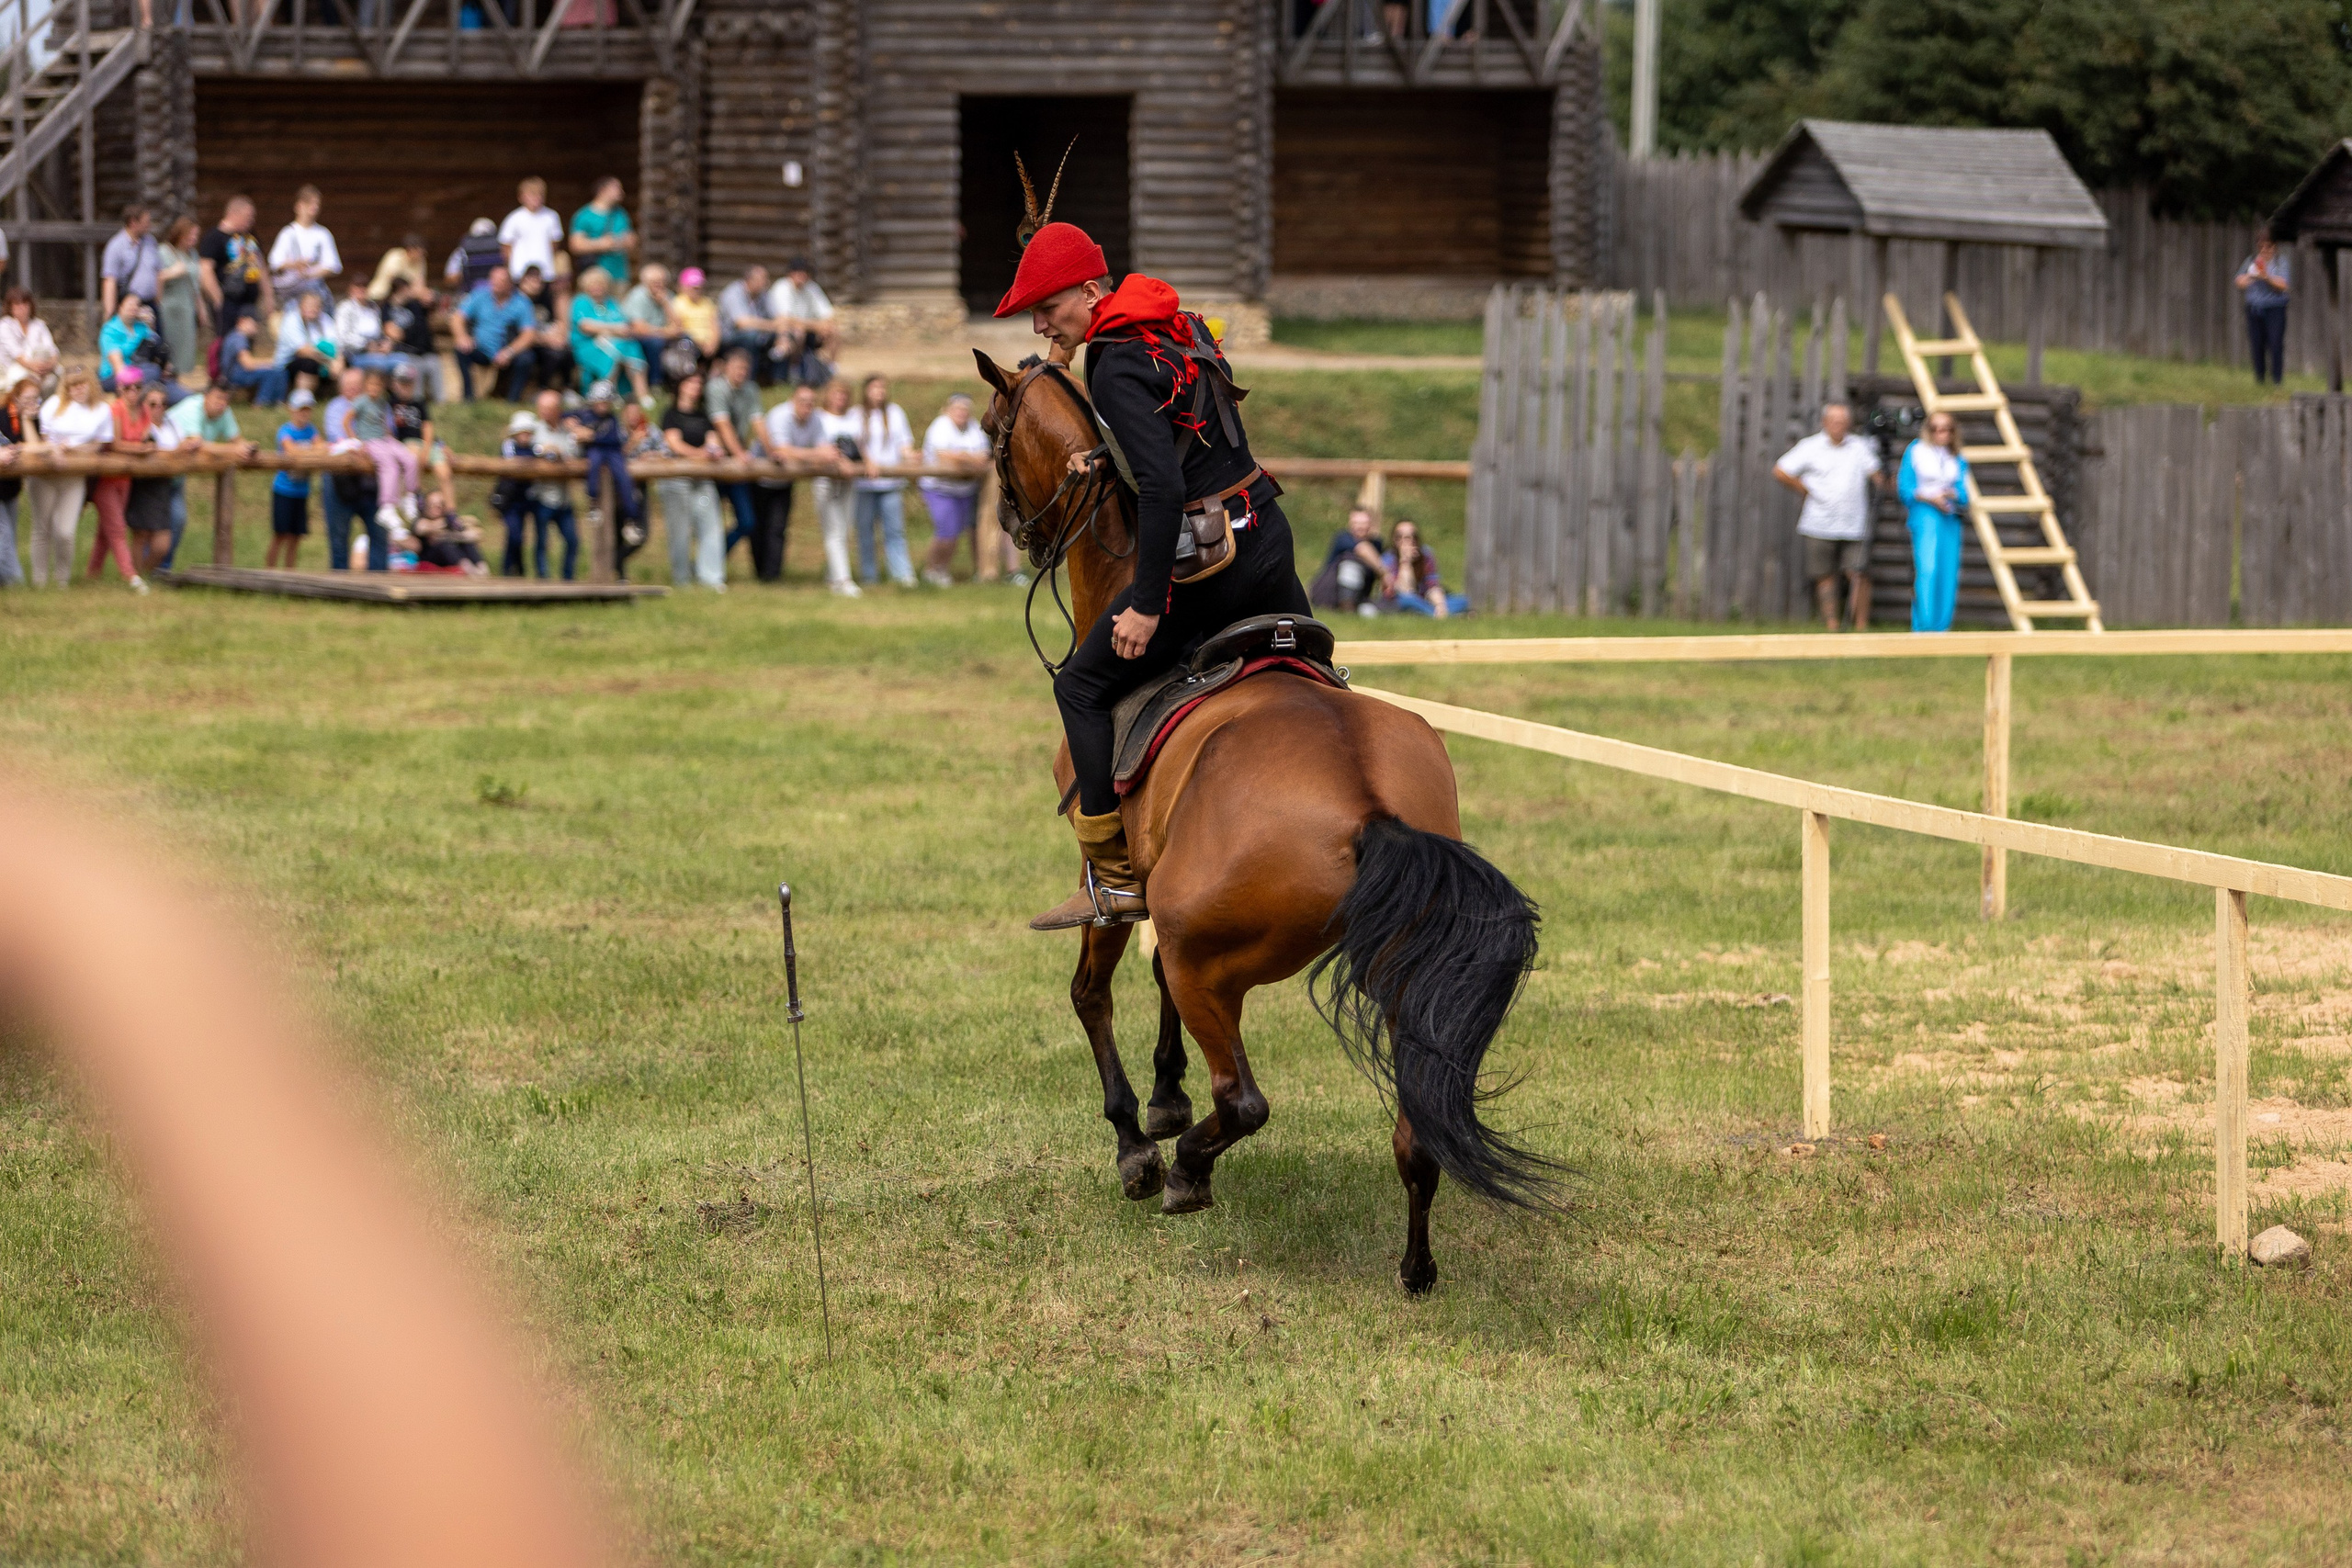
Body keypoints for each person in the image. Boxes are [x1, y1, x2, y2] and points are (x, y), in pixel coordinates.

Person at [998, 220, 1312, 929]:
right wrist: (1109, 458)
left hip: (1213, 568)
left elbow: (1166, 490)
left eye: (1049, 306)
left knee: (1080, 684)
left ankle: (1110, 877)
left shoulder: (1111, 359)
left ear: (1089, 290)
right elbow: (1186, 429)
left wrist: (1144, 605)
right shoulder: (1173, 323)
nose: (1042, 323)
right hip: (1268, 540)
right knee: (1313, 670)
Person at [1772, 400, 1881, 633]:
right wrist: (1804, 489)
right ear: (1824, 422)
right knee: (1824, 574)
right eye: (1834, 421)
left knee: (1858, 572)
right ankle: (1832, 625)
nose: (1839, 426)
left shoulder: (1860, 446)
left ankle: (1861, 626)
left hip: (1854, 523)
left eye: (1843, 422)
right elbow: (1781, 470)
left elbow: (1877, 474)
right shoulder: (1810, 446)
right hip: (1819, 522)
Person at [25, 368, 118, 591]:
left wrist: (76, 450)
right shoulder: (53, 405)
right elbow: (45, 439)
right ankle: (39, 581)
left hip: (75, 475)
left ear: (90, 385)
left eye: (82, 384)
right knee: (42, 527)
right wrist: (55, 449)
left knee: (65, 531)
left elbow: (100, 444)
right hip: (46, 475)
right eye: (73, 386)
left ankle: (62, 581)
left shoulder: (102, 409)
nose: (78, 390)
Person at [159, 384, 254, 571]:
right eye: (218, 398)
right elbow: (198, 445)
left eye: (225, 399)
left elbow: (237, 440)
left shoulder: (223, 411)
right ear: (205, 397)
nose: (222, 404)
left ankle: (162, 568)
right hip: (158, 473)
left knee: (177, 520)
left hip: (176, 477)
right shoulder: (191, 408)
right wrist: (234, 450)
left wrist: (249, 449)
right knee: (156, 525)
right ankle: (149, 568)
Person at [1898, 411, 1973, 634]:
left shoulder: (1956, 457)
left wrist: (1952, 494)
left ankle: (1942, 626)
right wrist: (1930, 497)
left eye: (1947, 429)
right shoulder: (1916, 451)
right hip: (1925, 514)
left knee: (1948, 571)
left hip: (1950, 517)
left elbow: (1964, 492)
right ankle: (1923, 625)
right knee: (1927, 568)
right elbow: (1905, 488)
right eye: (1936, 428)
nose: (1942, 433)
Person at [657, 370, 727, 591]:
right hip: (676, 480)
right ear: (680, 386)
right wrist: (700, 454)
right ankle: (682, 578)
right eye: (691, 383)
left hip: (702, 479)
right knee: (679, 530)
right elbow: (674, 444)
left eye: (699, 383)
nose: (696, 387)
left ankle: (712, 578)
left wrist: (714, 451)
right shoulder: (671, 414)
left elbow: (712, 441)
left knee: (711, 527)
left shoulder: (703, 415)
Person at [762, 382, 835, 583]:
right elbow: (781, 450)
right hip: (759, 479)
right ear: (792, 400)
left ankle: (771, 576)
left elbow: (825, 450)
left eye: (811, 402)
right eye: (803, 401)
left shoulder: (816, 418)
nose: (807, 406)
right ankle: (761, 573)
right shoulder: (779, 415)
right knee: (756, 527)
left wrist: (815, 454)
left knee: (778, 528)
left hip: (784, 480)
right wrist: (815, 455)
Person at [847, 375, 915, 588]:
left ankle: (903, 575)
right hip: (863, 485)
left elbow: (904, 443)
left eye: (882, 388)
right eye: (875, 387)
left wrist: (912, 457)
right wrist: (868, 462)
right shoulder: (855, 414)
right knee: (865, 531)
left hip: (891, 483)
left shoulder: (895, 413)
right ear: (866, 390)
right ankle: (869, 576)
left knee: (894, 531)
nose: (880, 392)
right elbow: (854, 443)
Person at [918, 391, 989, 585]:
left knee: (955, 532)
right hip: (939, 487)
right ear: (948, 409)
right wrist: (969, 457)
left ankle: (941, 568)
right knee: (946, 530)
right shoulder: (940, 426)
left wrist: (963, 457)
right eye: (958, 408)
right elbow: (943, 454)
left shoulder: (973, 427)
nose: (962, 413)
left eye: (965, 409)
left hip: (964, 488)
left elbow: (984, 454)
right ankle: (932, 568)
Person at [115, 383, 180, 581]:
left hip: (163, 483)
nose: (158, 408)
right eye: (152, 404)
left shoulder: (172, 424)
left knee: (162, 543)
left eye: (163, 404)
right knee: (141, 534)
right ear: (144, 405)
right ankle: (137, 576)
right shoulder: (141, 425)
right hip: (142, 483)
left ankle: (143, 574)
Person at [708, 346, 765, 560]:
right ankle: (708, 566)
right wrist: (739, 453)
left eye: (745, 369)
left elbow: (758, 421)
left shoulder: (750, 389)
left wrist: (774, 451)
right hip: (716, 461)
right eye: (738, 368)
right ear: (726, 368)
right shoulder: (716, 387)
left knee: (747, 521)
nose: (741, 373)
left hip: (736, 460)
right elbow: (722, 425)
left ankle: (715, 559)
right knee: (711, 520)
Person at [350, 367, 420, 536]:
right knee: (390, 465)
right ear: (366, 386)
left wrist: (390, 436)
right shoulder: (361, 401)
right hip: (370, 441)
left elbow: (382, 422)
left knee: (409, 458)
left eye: (378, 385)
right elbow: (347, 420)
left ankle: (409, 496)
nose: (374, 388)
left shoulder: (382, 403)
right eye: (371, 384)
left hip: (384, 439)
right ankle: (386, 506)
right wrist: (355, 441)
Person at [452, 267, 540, 401]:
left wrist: (510, 351)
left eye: (501, 281)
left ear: (510, 284)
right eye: (493, 280)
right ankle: (468, 397)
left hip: (508, 351)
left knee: (526, 359)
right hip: (481, 349)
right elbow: (457, 318)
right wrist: (462, 337)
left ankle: (512, 400)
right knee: (461, 350)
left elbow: (529, 334)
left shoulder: (522, 303)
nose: (496, 284)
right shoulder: (480, 295)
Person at [567, 379, 633, 551]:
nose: (603, 406)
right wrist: (572, 424)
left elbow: (615, 440)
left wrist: (592, 436)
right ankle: (593, 502)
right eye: (600, 402)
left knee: (623, 478)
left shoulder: (612, 419)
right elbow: (564, 415)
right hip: (595, 453)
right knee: (594, 464)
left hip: (612, 453)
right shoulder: (584, 414)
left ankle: (631, 518)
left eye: (606, 402)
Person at [566, 265, 650, 401]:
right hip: (587, 344)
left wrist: (619, 330)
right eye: (593, 284)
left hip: (614, 341)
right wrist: (613, 329)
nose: (597, 287)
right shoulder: (581, 301)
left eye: (601, 284)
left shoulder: (611, 302)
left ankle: (643, 394)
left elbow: (623, 323)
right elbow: (585, 326)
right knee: (616, 350)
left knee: (632, 347)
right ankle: (609, 393)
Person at [525, 388, 580, 580]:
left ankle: (568, 578)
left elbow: (575, 453)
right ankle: (543, 579)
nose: (544, 412)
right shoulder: (534, 429)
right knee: (541, 542)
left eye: (548, 408)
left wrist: (561, 452)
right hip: (542, 496)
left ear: (558, 409)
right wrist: (545, 451)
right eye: (541, 408)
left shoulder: (567, 430)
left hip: (564, 498)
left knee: (573, 541)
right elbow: (530, 448)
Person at [812, 377, 860, 596]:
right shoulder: (819, 418)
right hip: (827, 481)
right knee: (833, 531)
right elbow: (821, 447)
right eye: (836, 394)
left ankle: (833, 575)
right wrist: (840, 463)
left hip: (849, 481)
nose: (840, 399)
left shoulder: (853, 418)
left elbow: (860, 445)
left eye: (843, 395)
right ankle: (843, 580)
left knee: (845, 529)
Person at [197, 195, 269, 334]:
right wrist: (218, 300)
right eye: (248, 216)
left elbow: (261, 265)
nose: (251, 220)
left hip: (249, 303)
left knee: (247, 344)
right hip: (229, 301)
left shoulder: (250, 237)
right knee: (229, 343)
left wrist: (268, 295)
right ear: (234, 214)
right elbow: (205, 270)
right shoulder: (214, 237)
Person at [267, 388, 320, 570]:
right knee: (280, 534)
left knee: (295, 537)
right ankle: (270, 571)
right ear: (292, 410)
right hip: (284, 490)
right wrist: (310, 451)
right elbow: (291, 450)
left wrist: (309, 450)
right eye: (300, 409)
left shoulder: (311, 431)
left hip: (301, 491)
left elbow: (323, 447)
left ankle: (290, 572)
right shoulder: (285, 430)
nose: (304, 414)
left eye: (307, 409)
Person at [767, 257, 837, 384]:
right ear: (790, 274)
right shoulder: (782, 288)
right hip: (785, 331)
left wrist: (824, 326)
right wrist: (817, 326)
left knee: (833, 331)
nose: (802, 276)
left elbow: (828, 314)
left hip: (809, 329)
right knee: (799, 332)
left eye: (804, 272)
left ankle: (830, 369)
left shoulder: (812, 288)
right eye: (798, 272)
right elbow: (786, 319)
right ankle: (794, 370)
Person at [2236, 229, 2291, 387]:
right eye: (2261, 247)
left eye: (2268, 247)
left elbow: (2283, 285)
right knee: (2257, 344)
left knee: (2275, 344)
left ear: (2274, 247)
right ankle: (2260, 380)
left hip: (2275, 309)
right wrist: (2252, 276)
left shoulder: (2281, 263)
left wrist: (2266, 277)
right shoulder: (2251, 261)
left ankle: (2277, 381)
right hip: (2255, 309)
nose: (2264, 250)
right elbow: (2239, 281)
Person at [267, 186, 341, 303]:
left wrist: (309, 274)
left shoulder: (323, 234)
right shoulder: (288, 233)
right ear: (299, 206)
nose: (314, 208)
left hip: (315, 293)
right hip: (292, 295)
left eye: (317, 204)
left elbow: (333, 265)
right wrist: (295, 265)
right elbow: (274, 262)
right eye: (310, 204)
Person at [1380, 520, 1467, 617]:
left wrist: (1440, 605)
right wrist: (1405, 562)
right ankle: (1440, 615)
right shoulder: (1388, 558)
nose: (1409, 541)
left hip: (1424, 599)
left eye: (1413, 536)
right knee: (1408, 600)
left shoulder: (1426, 554)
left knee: (1462, 600)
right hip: (1399, 600)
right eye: (1401, 537)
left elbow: (1432, 585)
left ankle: (1435, 613)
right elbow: (1405, 591)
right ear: (1395, 539)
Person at [153, 216, 204, 383]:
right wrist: (172, 272)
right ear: (181, 234)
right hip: (170, 308)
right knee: (170, 348)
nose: (194, 239)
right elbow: (156, 278)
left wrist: (201, 309)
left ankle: (179, 380)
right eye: (191, 235)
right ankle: (167, 381)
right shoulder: (164, 251)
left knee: (185, 350)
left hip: (187, 308)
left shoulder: (193, 254)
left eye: (196, 235)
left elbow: (196, 286)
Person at [1310, 505, 1386, 613]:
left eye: (1364, 523)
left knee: (1372, 612)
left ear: (1371, 524)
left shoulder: (1377, 543)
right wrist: (1385, 574)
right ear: (1350, 524)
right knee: (1350, 565)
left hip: (1361, 596)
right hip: (1329, 594)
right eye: (1356, 523)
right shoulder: (1343, 539)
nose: (1360, 527)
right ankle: (1347, 610)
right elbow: (1363, 549)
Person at [568, 177, 636, 286]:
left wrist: (625, 241)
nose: (621, 192)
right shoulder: (584, 216)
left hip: (619, 275)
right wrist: (602, 244)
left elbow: (632, 240)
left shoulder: (621, 214)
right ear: (603, 190)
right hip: (594, 277)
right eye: (617, 188)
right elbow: (575, 245)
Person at [499, 178, 567, 286]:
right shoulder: (513, 218)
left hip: (545, 272)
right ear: (521, 197)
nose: (536, 198)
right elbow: (506, 247)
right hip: (519, 272)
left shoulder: (551, 217)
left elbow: (554, 244)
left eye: (540, 195)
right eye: (532, 195)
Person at [274, 290, 342, 394]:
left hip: (321, 360)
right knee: (309, 364)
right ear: (301, 306)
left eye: (317, 306)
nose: (313, 309)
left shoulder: (324, 319)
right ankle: (303, 397)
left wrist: (339, 360)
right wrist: (329, 362)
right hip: (287, 364)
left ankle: (337, 397)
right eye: (310, 305)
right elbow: (303, 351)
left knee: (348, 360)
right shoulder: (292, 320)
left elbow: (336, 343)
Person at [99, 204, 160, 320]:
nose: (149, 225)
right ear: (133, 222)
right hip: (130, 305)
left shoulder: (151, 242)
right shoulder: (116, 246)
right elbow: (110, 280)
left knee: (155, 338)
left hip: (151, 304)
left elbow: (158, 271)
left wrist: (158, 301)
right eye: (146, 222)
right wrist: (109, 312)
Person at [716, 265, 779, 372]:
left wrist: (781, 329)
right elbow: (741, 323)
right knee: (750, 336)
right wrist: (772, 326)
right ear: (749, 280)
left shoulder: (763, 294)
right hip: (729, 338)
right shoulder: (733, 293)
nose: (766, 282)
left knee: (783, 334)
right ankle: (750, 377)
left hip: (757, 333)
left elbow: (777, 317)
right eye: (763, 279)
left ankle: (779, 379)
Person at [619, 263, 676, 379]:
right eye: (655, 282)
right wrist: (666, 332)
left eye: (662, 281)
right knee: (655, 344)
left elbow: (678, 325)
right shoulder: (637, 296)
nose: (659, 285)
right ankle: (656, 382)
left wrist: (666, 304)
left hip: (660, 335)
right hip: (639, 337)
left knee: (686, 340)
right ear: (645, 283)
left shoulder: (668, 296)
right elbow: (639, 328)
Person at [217, 312, 288, 405]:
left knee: (280, 372)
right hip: (234, 374)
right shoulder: (238, 338)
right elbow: (248, 364)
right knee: (271, 372)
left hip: (236, 372)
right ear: (241, 321)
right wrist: (268, 363)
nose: (256, 328)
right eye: (253, 324)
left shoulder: (236, 336)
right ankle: (262, 402)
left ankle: (278, 402)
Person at [413, 491, 487, 575]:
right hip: (430, 559)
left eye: (440, 503)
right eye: (432, 504)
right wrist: (451, 526)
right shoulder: (421, 520)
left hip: (448, 560)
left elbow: (476, 533)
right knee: (444, 545)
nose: (437, 506)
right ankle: (470, 571)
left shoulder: (450, 522)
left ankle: (482, 570)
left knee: (468, 544)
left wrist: (457, 530)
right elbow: (423, 528)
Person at [97, 292, 158, 395]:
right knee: (153, 371)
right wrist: (128, 385)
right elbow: (118, 366)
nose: (134, 307)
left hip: (141, 370)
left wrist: (151, 324)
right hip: (114, 376)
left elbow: (156, 345)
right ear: (120, 306)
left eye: (137, 305)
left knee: (154, 370)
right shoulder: (110, 329)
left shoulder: (141, 327)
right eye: (130, 304)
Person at [0, 288, 57, 393]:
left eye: (25, 304)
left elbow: (52, 349)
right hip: (11, 372)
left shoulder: (39, 325)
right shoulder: (5, 325)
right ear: (10, 307)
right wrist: (33, 366)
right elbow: (16, 353)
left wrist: (48, 365)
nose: (22, 308)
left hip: (42, 369)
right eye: (17, 304)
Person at [0, 377, 28, 587]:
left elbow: (9, 444)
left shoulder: (17, 416)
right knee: (4, 538)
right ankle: (14, 584)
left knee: (8, 537)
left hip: (9, 489)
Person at [670, 266, 719, 363]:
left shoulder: (707, 303)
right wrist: (700, 344)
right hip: (688, 344)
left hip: (708, 345)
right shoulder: (677, 302)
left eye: (699, 286)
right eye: (693, 286)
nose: (696, 289)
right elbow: (678, 327)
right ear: (683, 286)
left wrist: (713, 344)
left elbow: (715, 325)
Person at [444, 218, 504, 294]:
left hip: (498, 295)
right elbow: (450, 280)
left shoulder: (503, 251)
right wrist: (463, 274)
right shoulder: (462, 252)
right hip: (470, 294)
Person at [367, 233, 430, 302]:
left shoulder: (421, 261)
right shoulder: (395, 256)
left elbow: (420, 284)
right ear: (410, 249)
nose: (422, 255)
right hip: (381, 297)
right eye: (419, 252)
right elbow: (396, 283)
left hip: (404, 300)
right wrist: (417, 293)